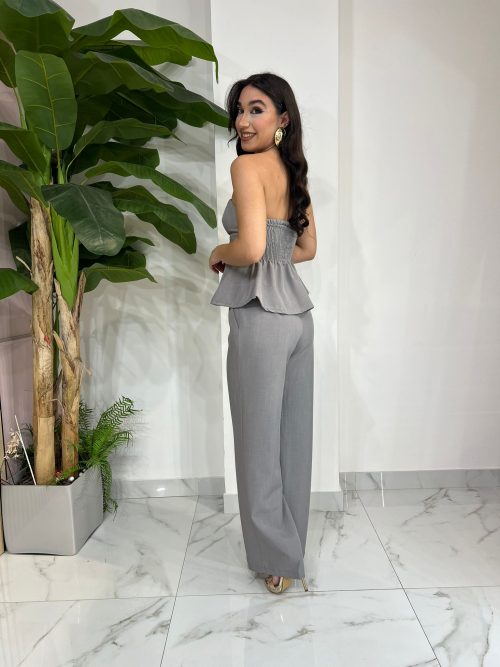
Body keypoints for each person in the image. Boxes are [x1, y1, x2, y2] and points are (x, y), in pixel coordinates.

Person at [209, 72, 317, 594]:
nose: (243, 121)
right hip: (298, 318)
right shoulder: (293, 171)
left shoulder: (246, 167)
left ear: (282, 118)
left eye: (257, 109)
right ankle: (289, 549)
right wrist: (273, 253)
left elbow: (249, 248)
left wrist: (219, 252)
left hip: (260, 317)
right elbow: (306, 248)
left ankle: (276, 560)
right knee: (293, 440)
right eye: (240, 109)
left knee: (258, 444)